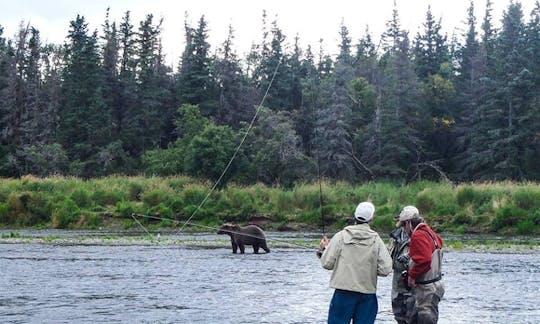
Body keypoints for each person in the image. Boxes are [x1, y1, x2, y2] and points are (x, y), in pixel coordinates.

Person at [319, 201, 392, 324]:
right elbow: (385, 270)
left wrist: (324, 249)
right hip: (367, 295)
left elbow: (327, 263)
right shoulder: (377, 240)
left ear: (355, 216)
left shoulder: (340, 237)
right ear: (371, 218)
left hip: (343, 294)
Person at [399, 207, 444, 324]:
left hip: (427, 289)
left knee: (425, 319)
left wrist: (412, 276)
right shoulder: (430, 232)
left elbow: (424, 261)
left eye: (403, 225)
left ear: (409, 223)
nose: (403, 229)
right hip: (435, 285)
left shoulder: (418, 235)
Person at [389, 206, 418, 324]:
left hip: (414, 289)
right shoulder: (395, 237)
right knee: (399, 319)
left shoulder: (421, 237)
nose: (401, 226)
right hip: (397, 287)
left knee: (413, 319)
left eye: (403, 223)